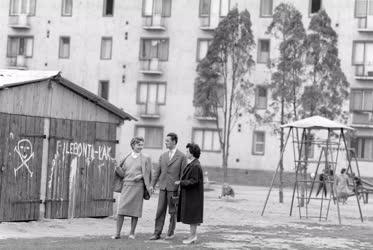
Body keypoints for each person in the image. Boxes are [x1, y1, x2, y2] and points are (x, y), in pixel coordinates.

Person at [112, 136, 152, 239]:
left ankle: (132, 233)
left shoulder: (146, 158)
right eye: (139, 144)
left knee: (135, 211)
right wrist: (117, 168)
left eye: (142, 145)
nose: (141, 147)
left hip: (138, 187)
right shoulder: (125, 157)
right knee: (121, 210)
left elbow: (150, 173)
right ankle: (117, 233)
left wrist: (142, 176)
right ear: (133, 145)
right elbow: (121, 173)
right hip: (126, 186)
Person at [149, 133, 187, 240]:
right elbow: (157, 172)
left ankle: (170, 233)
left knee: (172, 212)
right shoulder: (163, 156)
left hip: (174, 189)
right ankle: (157, 233)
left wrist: (180, 190)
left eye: (167, 141)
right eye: (165, 141)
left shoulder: (182, 157)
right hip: (163, 188)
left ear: (174, 142)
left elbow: (182, 175)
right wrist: (152, 184)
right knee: (160, 211)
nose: (165, 143)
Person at [175, 143, 204, 244]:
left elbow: (194, 181)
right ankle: (192, 236)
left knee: (193, 218)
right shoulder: (193, 163)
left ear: (192, 153)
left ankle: (192, 237)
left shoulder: (195, 165)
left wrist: (181, 182)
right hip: (192, 195)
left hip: (194, 196)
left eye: (187, 151)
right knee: (192, 217)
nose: (186, 153)